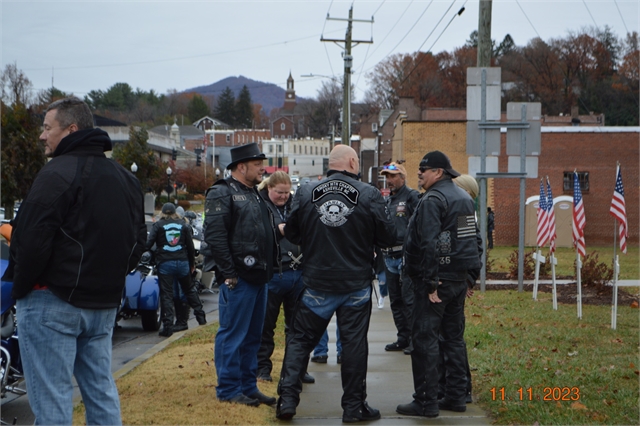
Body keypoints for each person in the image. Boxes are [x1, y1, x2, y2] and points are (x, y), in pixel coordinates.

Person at [4, 96, 147, 425]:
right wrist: (108, 281)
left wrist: (22, 289)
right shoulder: (127, 179)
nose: (42, 136)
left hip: (51, 303)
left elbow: (29, 241)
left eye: (46, 128)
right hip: (102, 306)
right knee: (100, 390)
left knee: (52, 400)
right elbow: (137, 242)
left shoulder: (56, 173)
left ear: (71, 129)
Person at [276, 145, 396, 422]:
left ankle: (287, 401)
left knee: (299, 341)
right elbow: (389, 236)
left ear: (330, 164)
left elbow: (292, 233)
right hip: (354, 283)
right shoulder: (369, 194)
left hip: (317, 280)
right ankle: (353, 407)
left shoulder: (306, 192)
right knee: (354, 345)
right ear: (353, 162)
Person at [397, 151, 481, 418]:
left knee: (425, 340)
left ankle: (425, 401)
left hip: (436, 282)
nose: (420, 172)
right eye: (420, 168)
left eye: (426, 169)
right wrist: (470, 277)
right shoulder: (464, 197)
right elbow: (472, 242)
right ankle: (456, 396)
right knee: (453, 339)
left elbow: (429, 242)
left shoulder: (434, 199)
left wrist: (432, 282)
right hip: (456, 280)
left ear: (440, 173)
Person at [203, 142, 279, 407]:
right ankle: (228, 390)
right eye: (258, 164)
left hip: (260, 277)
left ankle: (248, 387)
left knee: (253, 337)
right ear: (241, 166)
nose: (263, 168)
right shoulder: (221, 192)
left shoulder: (255, 193)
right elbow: (215, 236)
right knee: (233, 335)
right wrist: (229, 272)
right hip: (239, 279)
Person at [256, 172, 314, 384]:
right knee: (265, 327)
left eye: (286, 192)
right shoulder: (258, 204)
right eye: (278, 193)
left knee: (298, 327)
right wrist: (276, 231)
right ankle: (262, 369)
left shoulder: (295, 204)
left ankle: (297, 370)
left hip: (297, 272)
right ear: (269, 188)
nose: (283, 197)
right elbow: (254, 232)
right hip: (272, 274)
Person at [145, 202, 206, 337]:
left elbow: (148, 244)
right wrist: (191, 264)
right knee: (189, 290)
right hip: (182, 262)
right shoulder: (183, 224)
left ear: (162, 212)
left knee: (166, 294)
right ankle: (201, 318)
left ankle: (167, 326)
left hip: (165, 263)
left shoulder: (158, 225)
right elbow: (190, 247)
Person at [379, 162, 420, 353]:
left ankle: (414, 340)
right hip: (388, 256)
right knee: (395, 300)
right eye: (387, 177)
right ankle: (402, 337)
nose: (389, 181)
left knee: (409, 300)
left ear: (402, 178)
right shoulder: (387, 200)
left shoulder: (412, 197)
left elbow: (421, 224)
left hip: (405, 256)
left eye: (393, 176)